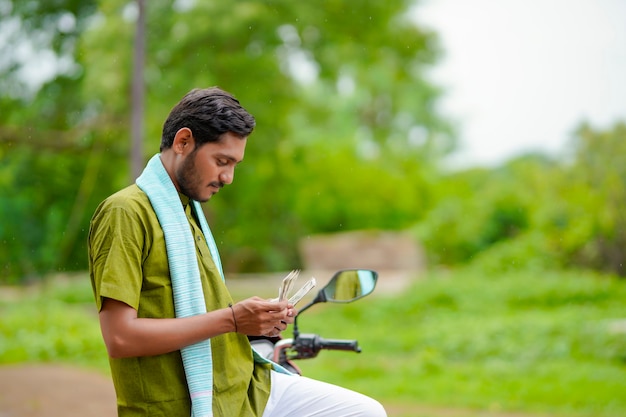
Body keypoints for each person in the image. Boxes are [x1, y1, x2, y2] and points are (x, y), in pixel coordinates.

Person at [88, 87, 387, 417]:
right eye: (221, 161)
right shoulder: (126, 213)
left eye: (234, 164)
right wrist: (231, 320)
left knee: (364, 412)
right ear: (183, 142)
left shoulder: (186, 212)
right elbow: (120, 338)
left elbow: (202, 317)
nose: (228, 177)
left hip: (248, 388)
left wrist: (257, 331)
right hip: (184, 405)